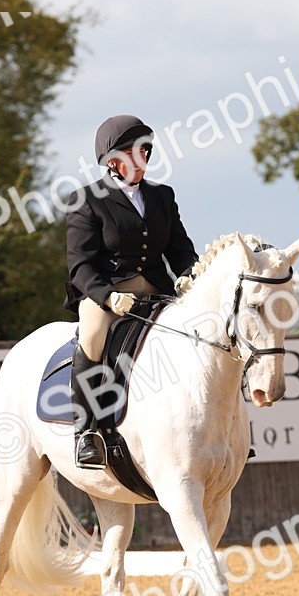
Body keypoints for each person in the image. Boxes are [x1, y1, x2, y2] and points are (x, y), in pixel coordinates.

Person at [64, 114, 198, 468]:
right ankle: (87, 433)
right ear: (112, 161)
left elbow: (180, 249)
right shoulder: (87, 199)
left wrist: (188, 274)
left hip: (156, 289)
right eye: (134, 152)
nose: (142, 159)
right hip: (105, 294)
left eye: (147, 151)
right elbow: (80, 265)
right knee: (92, 337)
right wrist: (108, 296)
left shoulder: (161, 196)